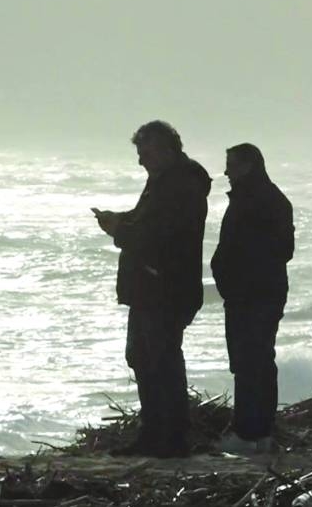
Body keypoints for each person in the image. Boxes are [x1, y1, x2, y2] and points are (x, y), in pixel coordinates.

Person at [94, 121, 211, 458]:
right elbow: (149, 222)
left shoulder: (182, 185)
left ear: (164, 150)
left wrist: (120, 230)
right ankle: (154, 433)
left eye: (144, 153)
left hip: (165, 288)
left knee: (162, 361)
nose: (140, 161)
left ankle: (172, 438)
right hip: (150, 288)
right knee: (143, 358)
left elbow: (161, 238)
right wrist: (121, 220)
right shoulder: (165, 182)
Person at [211, 143, 295, 454]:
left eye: (231, 165)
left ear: (247, 166)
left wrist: (240, 274)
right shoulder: (262, 198)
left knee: (250, 362)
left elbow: (280, 249)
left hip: (254, 294)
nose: (226, 172)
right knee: (255, 360)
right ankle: (259, 431)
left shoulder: (260, 200)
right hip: (253, 292)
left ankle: (249, 432)